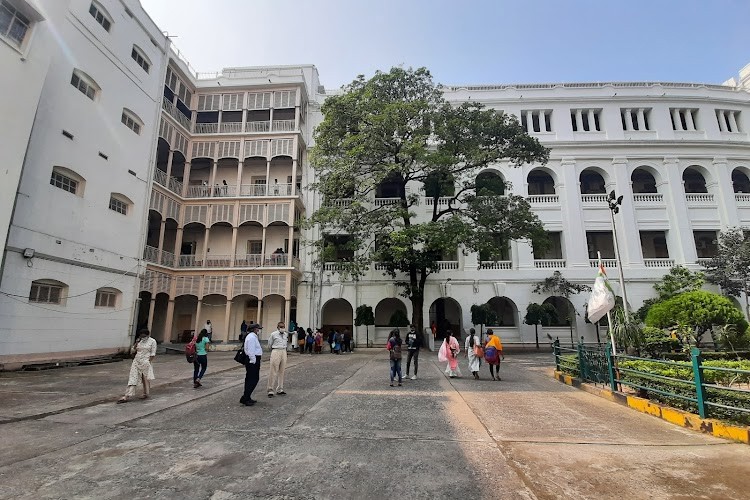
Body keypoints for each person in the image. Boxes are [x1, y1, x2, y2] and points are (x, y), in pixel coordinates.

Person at [118, 329, 157, 403]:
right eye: (141, 336)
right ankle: (127, 396)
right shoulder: (139, 341)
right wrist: (136, 343)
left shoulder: (152, 341)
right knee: (133, 377)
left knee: (145, 378)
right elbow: (133, 350)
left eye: (144, 336)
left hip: (146, 361)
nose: (143, 337)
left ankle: (146, 393)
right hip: (137, 361)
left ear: (148, 335)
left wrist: (149, 362)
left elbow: (153, 353)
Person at [241, 323, 263, 406]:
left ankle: (247, 396)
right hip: (252, 360)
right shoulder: (251, 337)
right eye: (258, 329)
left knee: (250, 379)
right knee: (253, 379)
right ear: (254, 329)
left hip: (253, 359)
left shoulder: (252, 337)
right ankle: (246, 397)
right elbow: (250, 351)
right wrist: (253, 361)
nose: (259, 330)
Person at [267, 321, 288, 397]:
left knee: (282, 371)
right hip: (276, 350)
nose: (282, 328)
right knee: (273, 370)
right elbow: (269, 344)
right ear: (278, 327)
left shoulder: (285, 334)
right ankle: (270, 389)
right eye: (281, 327)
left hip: (283, 350)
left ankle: (280, 388)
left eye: (283, 326)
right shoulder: (273, 334)